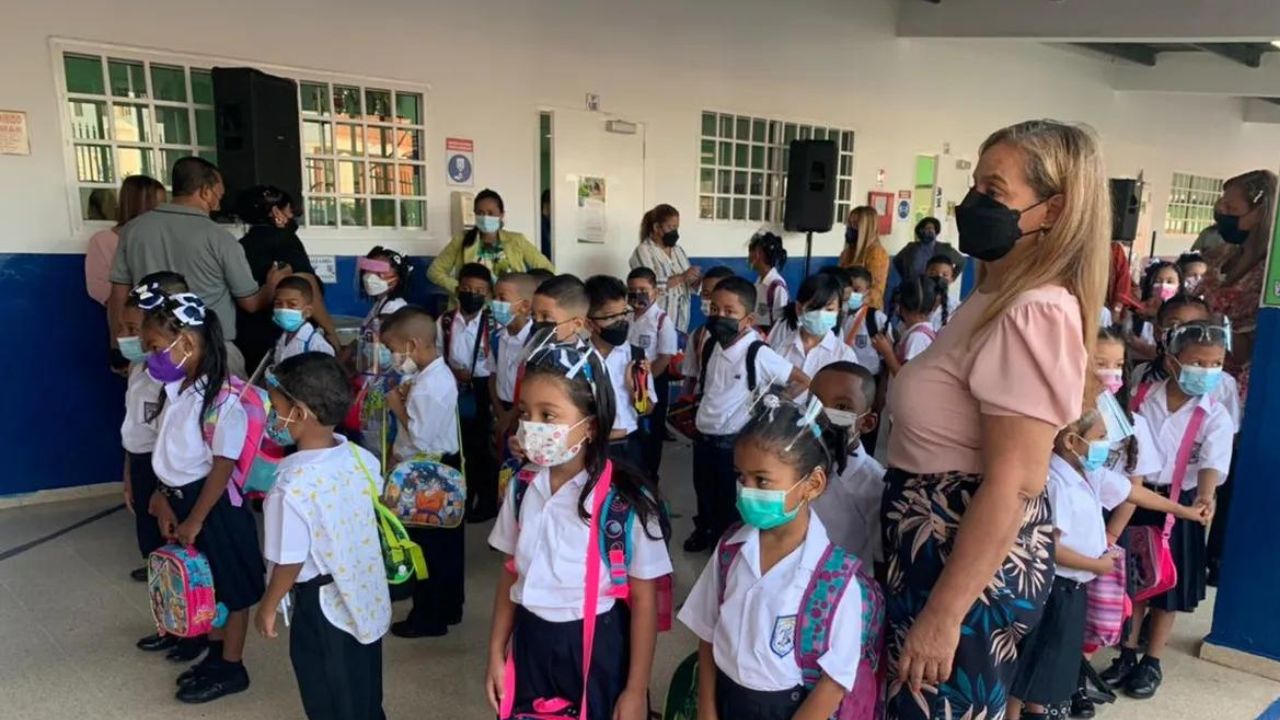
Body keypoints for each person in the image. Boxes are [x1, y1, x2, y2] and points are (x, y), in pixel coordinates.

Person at [881, 120, 1107, 720]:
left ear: (1051, 210)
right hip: (934, 545)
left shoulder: (1033, 311)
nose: (973, 204)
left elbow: (1015, 482)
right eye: (975, 185)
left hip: (966, 566)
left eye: (994, 191)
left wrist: (944, 614)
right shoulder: (996, 293)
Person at [485, 342, 671, 720]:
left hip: (596, 644)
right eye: (525, 413)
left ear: (590, 425)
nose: (531, 427)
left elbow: (644, 601)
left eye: (548, 415)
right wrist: (495, 653)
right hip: (530, 638)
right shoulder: (522, 488)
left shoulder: (625, 501)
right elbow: (511, 573)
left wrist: (636, 691)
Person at [678, 394, 877, 720]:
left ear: (812, 484)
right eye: (741, 477)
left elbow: (833, 684)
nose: (746, 489)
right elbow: (708, 632)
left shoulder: (835, 579)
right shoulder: (730, 549)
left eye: (762, 480)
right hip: (725, 698)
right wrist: (707, 709)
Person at [1008, 409, 1206, 720]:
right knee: (1034, 662)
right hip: (1055, 588)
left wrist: (1185, 511)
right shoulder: (1056, 482)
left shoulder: (1088, 474)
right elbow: (1049, 547)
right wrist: (1095, 565)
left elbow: (1134, 492)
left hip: (1074, 586)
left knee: (1051, 664)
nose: (1105, 446)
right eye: (1099, 438)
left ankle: (1038, 712)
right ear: (1072, 441)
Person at [141, 293, 266, 703]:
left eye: (156, 347)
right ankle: (214, 656)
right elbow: (169, 452)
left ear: (187, 345)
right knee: (205, 585)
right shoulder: (175, 391)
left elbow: (222, 466)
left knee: (232, 587)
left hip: (214, 505)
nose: (150, 356)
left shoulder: (221, 399)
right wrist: (164, 497)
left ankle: (233, 667)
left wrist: (195, 517)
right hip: (183, 500)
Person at [1101, 319, 1234, 701]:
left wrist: (1205, 497)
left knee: (1167, 588)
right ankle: (1126, 653)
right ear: (1173, 360)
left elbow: (1211, 464)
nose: (1207, 371)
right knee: (1133, 582)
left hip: (1181, 508)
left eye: (1216, 364)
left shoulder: (1215, 416)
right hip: (1135, 501)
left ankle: (1152, 660)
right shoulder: (1141, 397)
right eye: (1198, 362)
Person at [256, 353, 391, 720]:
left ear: (299, 414)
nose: (272, 415)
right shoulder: (361, 457)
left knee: (328, 696)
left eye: (276, 406)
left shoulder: (291, 486)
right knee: (363, 688)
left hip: (321, 607)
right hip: (363, 588)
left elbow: (289, 561)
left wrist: (268, 605)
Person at [109, 157, 288, 379]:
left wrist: (120, 347)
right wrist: (272, 285)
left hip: (152, 351)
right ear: (204, 191)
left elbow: (119, 295)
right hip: (208, 353)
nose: (219, 205)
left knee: (153, 411)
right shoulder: (219, 238)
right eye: (218, 196)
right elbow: (250, 303)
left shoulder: (133, 231)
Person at [687, 276, 810, 552]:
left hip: (732, 443)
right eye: (715, 309)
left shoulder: (757, 353)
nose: (720, 317)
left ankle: (727, 548)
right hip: (703, 437)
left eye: (730, 312)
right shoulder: (711, 344)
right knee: (704, 494)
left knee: (730, 503)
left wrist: (779, 401)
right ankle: (704, 530)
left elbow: (803, 378)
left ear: (748, 319)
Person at [121, 274, 205, 660]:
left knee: (179, 557)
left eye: (137, 332)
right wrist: (129, 474)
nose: (130, 340)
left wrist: (161, 490)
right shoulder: (143, 369)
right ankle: (170, 623)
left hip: (167, 475)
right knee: (157, 555)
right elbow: (133, 430)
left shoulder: (171, 376)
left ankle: (191, 632)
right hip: (144, 466)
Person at [380, 306, 466, 638]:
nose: (392, 357)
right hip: (435, 465)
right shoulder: (429, 377)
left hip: (429, 473)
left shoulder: (432, 385)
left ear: (413, 345)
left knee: (429, 547)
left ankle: (430, 615)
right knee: (444, 544)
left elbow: (421, 435)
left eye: (393, 350)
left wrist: (395, 403)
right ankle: (447, 606)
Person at [234, 185, 336, 374]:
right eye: (289, 211)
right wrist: (331, 333)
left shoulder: (240, 246)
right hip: (282, 337)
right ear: (276, 212)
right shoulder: (284, 240)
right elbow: (306, 287)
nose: (292, 217)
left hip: (246, 338)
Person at [1199, 169, 1277, 400]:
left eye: (1231, 209)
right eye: (1221, 207)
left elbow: (1252, 348)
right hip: (1203, 368)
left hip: (1237, 384)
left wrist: (1217, 326)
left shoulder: (1267, 273)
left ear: (1260, 212)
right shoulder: (1226, 255)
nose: (1222, 215)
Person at [438, 263, 500, 522]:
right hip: (454, 389)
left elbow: (496, 361)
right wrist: (453, 373)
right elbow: (437, 356)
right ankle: (461, 497)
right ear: (457, 289)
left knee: (481, 448)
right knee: (457, 446)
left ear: (487, 295)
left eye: (479, 290)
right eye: (466, 289)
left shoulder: (493, 323)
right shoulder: (446, 321)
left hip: (484, 389)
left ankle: (485, 502)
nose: (472, 294)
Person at [810, 362, 885, 568]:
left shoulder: (874, 486)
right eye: (815, 402)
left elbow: (880, 559)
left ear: (867, 422)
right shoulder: (795, 465)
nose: (823, 414)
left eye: (842, 407)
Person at [585, 275, 655, 476]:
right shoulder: (579, 358)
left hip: (629, 445)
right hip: (591, 447)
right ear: (589, 323)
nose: (620, 322)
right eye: (610, 317)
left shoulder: (636, 355)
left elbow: (648, 408)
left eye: (623, 313)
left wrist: (635, 391)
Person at [350, 246, 411, 466]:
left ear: (397, 276)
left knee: (380, 445)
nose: (370, 278)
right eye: (367, 271)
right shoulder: (378, 306)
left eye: (379, 272)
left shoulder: (394, 308)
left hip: (385, 383)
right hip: (373, 381)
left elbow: (381, 351)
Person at [427, 189, 554, 293]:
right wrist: (460, 288)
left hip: (509, 307)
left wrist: (525, 288)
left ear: (501, 215)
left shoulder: (517, 240)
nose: (485, 217)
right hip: (471, 309)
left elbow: (547, 269)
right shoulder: (462, 240)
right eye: (480, 213)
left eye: (490, 213)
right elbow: (434, 271)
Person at [766, 273, 858, 395]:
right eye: (814, 308)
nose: (820, 314)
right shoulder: (781, 348)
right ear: (799, 308)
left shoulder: (844, 356)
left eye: (829, 310)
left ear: (838, 312)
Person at [626, 267, 677, 478]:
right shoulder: (626, 317)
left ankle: (649, 480)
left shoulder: (662, 321)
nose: (638, 294)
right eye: (633, 290)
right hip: (628, 384)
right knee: (632, 432)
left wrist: (645, 386)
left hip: (653, 383)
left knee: (651, 436)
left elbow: (665, 357)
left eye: (643, 289)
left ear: (655, 291)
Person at [86, 174, 165, 308]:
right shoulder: (103, 241)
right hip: (126, 316)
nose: (164, 213)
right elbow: (99, 289)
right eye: (158, 207)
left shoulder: (163, 237)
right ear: (140, 206)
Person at [629, 204, 701, 334]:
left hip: (680, 323)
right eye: (670, 227)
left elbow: (687, 285)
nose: (674, 231)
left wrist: (696, 281)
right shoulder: (643, 251)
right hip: (654, 324)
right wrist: (682, 277)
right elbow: (647, 285)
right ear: (657, 227)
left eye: (676, 227)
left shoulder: (678, 250)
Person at [491, 273, 539, 440]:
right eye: (494, 297)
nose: (495, 303)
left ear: (524, 306)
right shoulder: (497, 337)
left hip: (525, 413)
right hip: (500, 409)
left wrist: (511, 416)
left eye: (502, 299)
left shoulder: (537, 342)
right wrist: (500, 413)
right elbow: (493, 376)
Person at [872, 275, 945, 377]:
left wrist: (887, 353)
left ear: (901, 305)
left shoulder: (917, 337)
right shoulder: (915, 331)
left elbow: (905, 378)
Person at [678, 266, 737, 393]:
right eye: (705, 294)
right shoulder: (697, 336)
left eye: (716, 294)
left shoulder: (748, 336)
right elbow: (691, 378)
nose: (710, 300)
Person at [1127, 261, 1182, 361]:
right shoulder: (1135, 315)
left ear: (1179, 286)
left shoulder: (1185, 317)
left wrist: (1138, 345)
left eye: (1170, 282)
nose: (1163, 285)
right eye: (1158, 281)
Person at [272, 276, 335, 363]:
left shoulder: (317, 345)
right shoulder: (283, 338)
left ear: (307, 312)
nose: (283, 309)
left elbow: (325, 375)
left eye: (292, 304)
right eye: (278, 303)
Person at [840, 266, 889, 377]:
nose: (851, 293)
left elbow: (887, 357)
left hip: (869, 378)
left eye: (857, 290)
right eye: (849, 289)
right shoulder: (836, 316)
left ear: (867, 291)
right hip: (842, 376)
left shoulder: (876, 318)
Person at [838, 206, 889, 310]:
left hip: (866, 311)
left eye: (855, 224)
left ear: (866, 229)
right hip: (846, 308)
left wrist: (854, 299)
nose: (851, 228)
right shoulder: (847, 252)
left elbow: (876, 292)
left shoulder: (876, 253)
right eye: (850, 224)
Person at [893, 216, 965, 287]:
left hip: (935, 290)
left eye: (930, 228)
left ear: (936, 231)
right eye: (923, 229)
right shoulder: (911, 247)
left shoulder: (945, 249)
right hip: (912, 289)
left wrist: (952, 278)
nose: (926, 231)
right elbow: (896, 260)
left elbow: (962, 261)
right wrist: (905, 277)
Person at [530, 274, 591, 345]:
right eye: (533, 315)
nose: (537, 322)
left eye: (546, 316)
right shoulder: (528, 350)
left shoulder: (583, 356)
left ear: (577, 324)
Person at [748, 231, 789, 331]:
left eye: (750, 253)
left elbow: (781, 325)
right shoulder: (758, 282)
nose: (748, 258)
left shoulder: (776, 286)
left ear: (758, 253)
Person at [925, 255, 961, 331]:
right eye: (933, 273)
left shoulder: (957, 308)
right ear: (925, 275)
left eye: (945, 275)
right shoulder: (915, 302)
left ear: (952, 279)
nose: (939, 277)